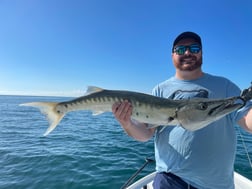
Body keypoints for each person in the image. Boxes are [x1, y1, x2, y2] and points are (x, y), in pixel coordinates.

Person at [112, 31, 252, 189]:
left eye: (194, 48)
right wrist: (127, 123)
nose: (187, 53)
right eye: (180, 49)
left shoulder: (225, 86)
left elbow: (247, 119)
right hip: (170, 179)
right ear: (172, 55)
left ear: (201, 53)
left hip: (216, 183)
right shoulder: (159, 90)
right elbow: (145, 134)